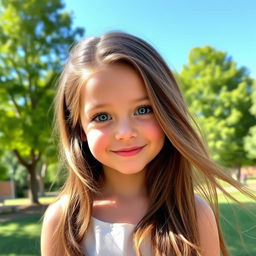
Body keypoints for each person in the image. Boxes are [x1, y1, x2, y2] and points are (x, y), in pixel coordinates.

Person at [41, 31, 254, 256]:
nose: (124, 133)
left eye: (143, 110)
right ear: (79, 128)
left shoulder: (196, 215)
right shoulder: (62, 222)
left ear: (167, 113)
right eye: (102, 116)